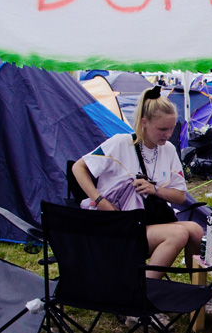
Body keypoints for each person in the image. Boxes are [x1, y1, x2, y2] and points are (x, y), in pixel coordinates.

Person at [72, 86, 203, 279]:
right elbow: (78, 167)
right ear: (144, 122)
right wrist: (100, 201)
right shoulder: (120, 143)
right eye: (162, 129)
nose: (168, 134)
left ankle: (197, 292)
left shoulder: (168, 150)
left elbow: (180, 196)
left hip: (148, 220)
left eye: (172, 128)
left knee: (196, 230)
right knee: (178, 234)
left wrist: (155, 190)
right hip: (118, 223)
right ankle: (144, 293)